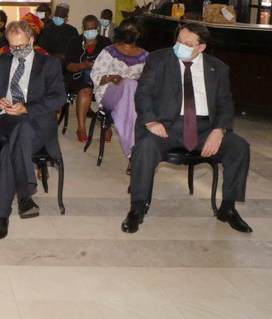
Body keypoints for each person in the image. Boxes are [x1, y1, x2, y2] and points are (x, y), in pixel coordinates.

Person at [122, 22, 252, 234]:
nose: (180, 46)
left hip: (204, 129)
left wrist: (219, 130)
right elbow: (143, 94)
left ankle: (227, 209)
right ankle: (137, 208)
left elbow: (225, 104)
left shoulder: (217, 68)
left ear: (201, 48)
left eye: (187, 43)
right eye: (179, 41)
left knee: (239, 147)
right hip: (167, 127)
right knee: (145, 147)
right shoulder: (158, 60)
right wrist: (151, 121)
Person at [0, 20, 66, 239]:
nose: (18, 51)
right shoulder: (1, 61)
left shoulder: (48, 63)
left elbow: (58, 97)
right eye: (13, 47)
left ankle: (1, 216)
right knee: (17, 129)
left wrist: (27, 108)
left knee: (14, 141)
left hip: (36, 124)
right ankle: (25, 194)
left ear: (32, 40)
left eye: (22, 46)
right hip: (3, 120)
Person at [90, 19, 148, 162]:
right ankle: (133, 153)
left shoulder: (146, 56)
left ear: (138, 34)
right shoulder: (109, 51)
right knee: (129, 84)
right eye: (126, 28)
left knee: (132, 91)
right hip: (109, 94)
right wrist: (110, 78)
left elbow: (149, 81)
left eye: (132, 28)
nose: (129, 30)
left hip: (133, 99)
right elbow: (95, 75)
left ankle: (134, 153)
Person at [64, 15, 112, 142]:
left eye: (93, 28)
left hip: (101, 78)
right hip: (78, 77)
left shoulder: (105, 42)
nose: (90, 31)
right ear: (83, 28)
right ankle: (81, 128)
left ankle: (107, 125)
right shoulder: (75, 41)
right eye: (87, 29)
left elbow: (112, 63)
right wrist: (82, 65)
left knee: (110, 90)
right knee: (86, 91)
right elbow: (68, 65)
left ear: (97, 28)